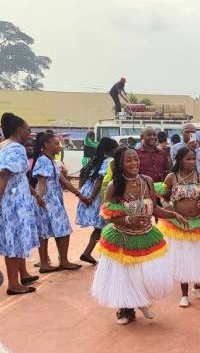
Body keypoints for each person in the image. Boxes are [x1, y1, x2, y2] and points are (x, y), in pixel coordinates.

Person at [91, 147, 183, 325]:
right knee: (125, 275)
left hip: (146, 235)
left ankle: (140, 300)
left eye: (136, 159)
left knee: (146, 274)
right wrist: (126, 219)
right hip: (123, 237)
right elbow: (109, 216)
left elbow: (155, 209)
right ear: (120, 164)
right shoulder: (114, 186)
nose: (134, 163)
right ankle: (126, 309)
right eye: (128, 160)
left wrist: (174, 215)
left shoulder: (147, 182)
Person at [158, 147, 200, 307]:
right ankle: (184, 294)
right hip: (179, 224)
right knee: (184, 258)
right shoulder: (172, 177)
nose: (192, 162)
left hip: (199, 221)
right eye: (188, 159)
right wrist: (168, 206)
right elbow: (162, 197)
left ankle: (198, 287)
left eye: (193, 159)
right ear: (180, 160)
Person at [31, 132, 86, 272]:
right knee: (47, 231)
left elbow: (64, 181)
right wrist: (40, 198)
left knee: (57, 230)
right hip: (48, 200)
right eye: (56, 144)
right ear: (46, 145)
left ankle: (60, 260)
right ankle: (49, 262)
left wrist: (79, 194)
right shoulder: (43, 160)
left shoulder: (53, 162)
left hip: (54, 200)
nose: (59, 146)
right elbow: (42, 182)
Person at [0, 113, 39, 295]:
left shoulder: (4, 146)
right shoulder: (16, 148)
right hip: (13, 202)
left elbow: (19, 176)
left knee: (17, 239)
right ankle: (13, 284)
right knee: (14, 241)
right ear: (18, 130)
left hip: (15, 198)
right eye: (27, 129)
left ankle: (22, 274)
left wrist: (33, 193)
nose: (29, 133)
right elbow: (4, 175)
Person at [76, 137, 118, 264]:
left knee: (100, 227)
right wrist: (93, 197)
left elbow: (82, 175)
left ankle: (88, 252)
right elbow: (100, 179)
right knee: (105, 225)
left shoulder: (95, 159)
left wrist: (82, 192)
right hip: (98, 194)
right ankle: (101, 255)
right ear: (111, 149)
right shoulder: (110, 161)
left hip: (88, 190)